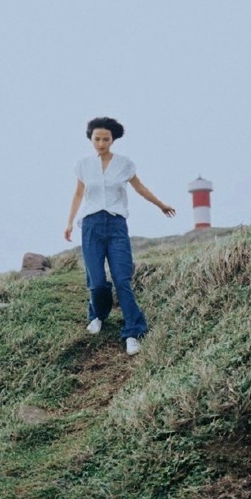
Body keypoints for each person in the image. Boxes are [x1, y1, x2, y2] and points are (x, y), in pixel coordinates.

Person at [64, 117, 176, 355]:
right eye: (97, 139)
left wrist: (161, 205)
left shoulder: (124, 164)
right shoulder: (83, 165)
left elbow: (140, 188)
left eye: (106, 139)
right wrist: (69, 223)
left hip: (116, 226)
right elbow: (77, 194)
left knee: (122, 279)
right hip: (91, 226)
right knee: (96, 282)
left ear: (113, 139)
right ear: (90, 139)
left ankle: (133, 332)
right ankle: (98, 314)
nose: (101, 143)